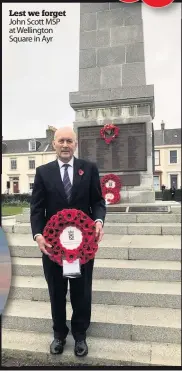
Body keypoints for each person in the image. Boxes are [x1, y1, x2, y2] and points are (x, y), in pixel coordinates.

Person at [30, 126, 106, 357]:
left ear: (75, 144)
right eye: (61, 141)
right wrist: (38, 234)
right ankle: (59, 335)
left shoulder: (89, 169)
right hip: (53, 247)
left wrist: (99, 221)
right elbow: (36, 208)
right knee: (56, 291)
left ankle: (80, 335)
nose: (65, 145)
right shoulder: (43, 172)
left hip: (82, 246)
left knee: (81, 291)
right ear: (54, 144)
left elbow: (98, 202)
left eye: (69, 141)